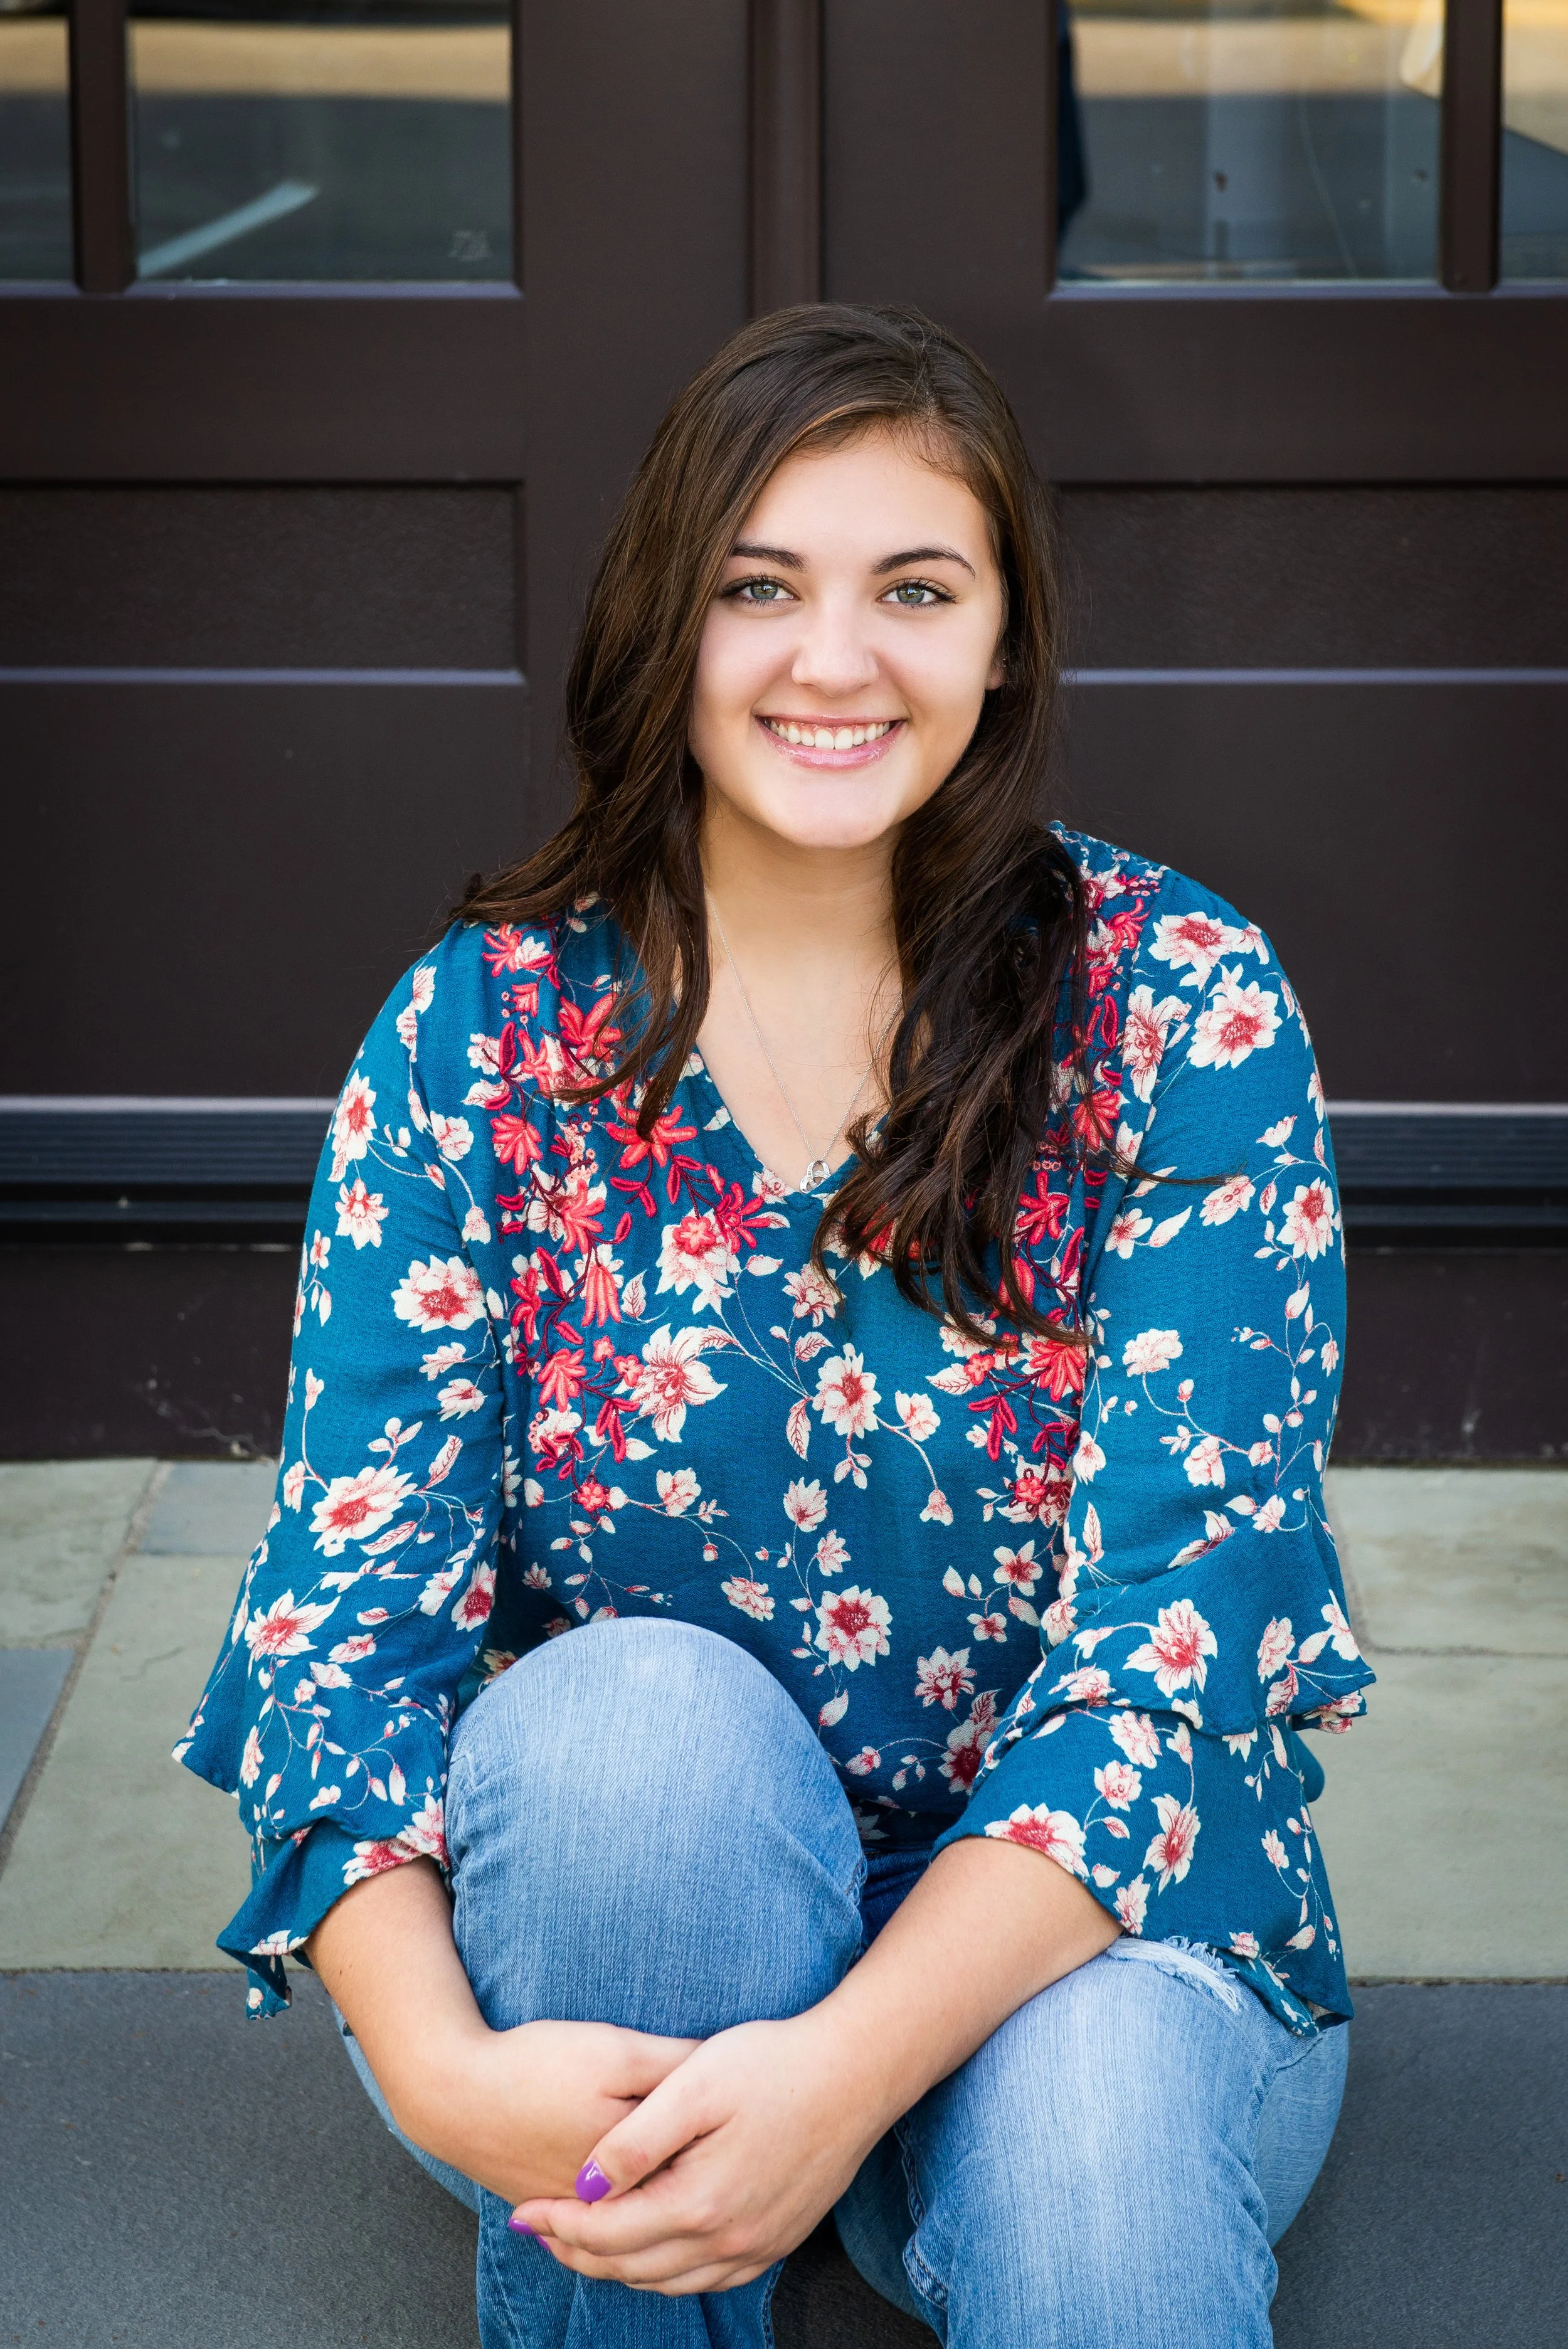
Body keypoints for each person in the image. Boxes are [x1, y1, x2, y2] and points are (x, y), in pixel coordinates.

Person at [177, 303, 1372, 2348]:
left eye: (916, 587)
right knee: (625, 1726)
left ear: (1004, 638)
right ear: (669, 627)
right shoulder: (485, 1034)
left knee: (1092, 2221)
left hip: (1090, 1935)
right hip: (630, 1919)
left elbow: (1177, 1663)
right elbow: (339, 1634)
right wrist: (455, 2082)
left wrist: (838, 2079)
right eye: (760, 589)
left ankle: (859, 2162)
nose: (836, 661)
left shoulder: (1180, 1003)